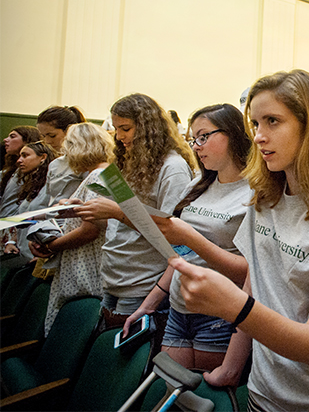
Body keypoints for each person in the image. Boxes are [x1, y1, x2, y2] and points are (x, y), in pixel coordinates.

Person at [169, 69, 309, 411]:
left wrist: (232, 307)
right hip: (265, 394)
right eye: (255, 124)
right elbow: (257, 279)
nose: (258, 137)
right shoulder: (265, 197)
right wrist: (231, 368)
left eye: (273, 122)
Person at [122, 104, 252, 372]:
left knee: (203, 399)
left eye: (204, 137)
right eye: (194, 139)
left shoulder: (255, 194)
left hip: (219, 313)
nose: (196, 146)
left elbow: (248, 274)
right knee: (169, 388)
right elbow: (181, 257)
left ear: (233, 134)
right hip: (179, 309)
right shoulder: (198, 185)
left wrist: (191, 238)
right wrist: (148, 306)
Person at [75, 93, 195, 327]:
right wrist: (86, 210)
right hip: (115, 275)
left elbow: (171, 231)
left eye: (125, 129)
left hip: (144, 281)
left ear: (148, 128)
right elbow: (121, 223)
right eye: (116, 129)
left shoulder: (173, 168)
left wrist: (115, 211)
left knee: (126, 354)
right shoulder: (132, 162)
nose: (118, 137)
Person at [28, 123, 114, 334]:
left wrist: (52, 245)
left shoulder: (98, 176)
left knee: (73, 325)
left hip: (85, 263)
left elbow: (90, 229)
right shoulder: (107, 174)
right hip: (92, 260)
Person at [3, 142, 56, 263]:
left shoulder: (51, 186)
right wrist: (13, 241)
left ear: (42, 157)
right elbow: (27, 218)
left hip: (40, 257)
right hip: (25, 254)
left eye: (25, 156)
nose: (19, 160)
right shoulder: (32, 183)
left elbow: (55, 219)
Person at [36, 106, 88, 205]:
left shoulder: (88, 163)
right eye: (43, 136)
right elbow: (46, 201)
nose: (47, 141)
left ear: (69, 131)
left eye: (52, 136)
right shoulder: (55, 164)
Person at [1, 126, 41, 215]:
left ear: (27, 140)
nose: (5, 140)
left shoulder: (35, 170)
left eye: (12, 136)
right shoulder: (12, 170)